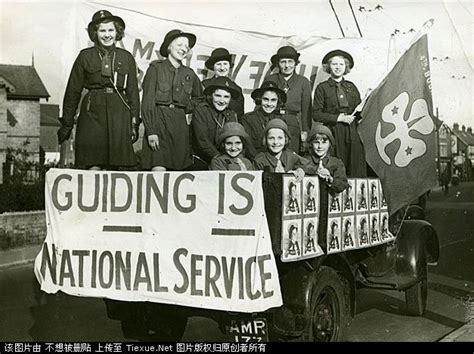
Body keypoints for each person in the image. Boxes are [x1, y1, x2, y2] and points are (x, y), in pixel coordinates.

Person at [58, 10, 140, 170]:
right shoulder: (85, 56)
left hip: (119, 115)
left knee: (115, 168)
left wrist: (134, 123)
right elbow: (73, 92)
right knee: (92, 165)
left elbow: (133, 94)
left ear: (117, 32)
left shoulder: (126, 57)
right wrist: (67, 124)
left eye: (111, 30)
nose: (107, 35)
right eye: (102, 30)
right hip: (92, 114)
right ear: (95, 33)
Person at [141, 29, 202, 171]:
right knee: (158, 170)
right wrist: (151, 131)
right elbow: (148, 101)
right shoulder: (156, 68)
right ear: (169, 46)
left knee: (178, 172)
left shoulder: (189, 73)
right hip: (159, 122)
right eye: (180, 45)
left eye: (186, 47)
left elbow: (199, 98)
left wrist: (186, 107)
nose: (183, 49)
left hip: (179, 126)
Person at [312, 49, 367, 177]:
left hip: (352, 132)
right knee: (336, 165)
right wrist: (338, 118)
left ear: (346, 67)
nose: (338, 67)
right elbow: (316, 114)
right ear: (328, 67)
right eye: (334, 64)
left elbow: (359, 112)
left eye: (341, 64)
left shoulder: (351, 87)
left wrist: (366, 102)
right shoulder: (322, 88)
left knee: (355, 164)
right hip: (333, 132)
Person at [305, 124, 348, 244]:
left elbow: (343, 184)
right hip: (310, 208)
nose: (320, 146)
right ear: (311, 143)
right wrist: (313, 173)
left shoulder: (336, 162)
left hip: (329, 208)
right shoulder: (305, 161)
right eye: (316, 142)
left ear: (330, 144)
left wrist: (330, 179)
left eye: (324, 142)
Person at [242, 81, 303, 158]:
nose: (269, 104)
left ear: (278, 101)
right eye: (266, 99)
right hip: (257, 160)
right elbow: (249, 146)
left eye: (273, 100)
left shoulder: (282, 119)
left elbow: (285, 146)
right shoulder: (249, 119)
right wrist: (259, 161)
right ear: (260, 99)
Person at [193, 76, 239, 166]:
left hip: (224, 159)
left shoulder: (232, 114)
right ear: (211, 96)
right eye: (218, 96)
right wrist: (219, 158)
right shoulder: (201, 110)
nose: (222, 101)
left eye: (226, 97)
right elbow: (202, 140)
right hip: (201, 159)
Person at [267, 46, 311, 140]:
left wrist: (305, 131)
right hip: (272, 122)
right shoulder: (270, 79)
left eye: (290, 61)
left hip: (293, 124)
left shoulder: (303, 82)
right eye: (283, 62)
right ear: (278, 64)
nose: (287, 66)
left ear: (295, 63)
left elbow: (306, 111)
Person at [202, 48, 245, 120]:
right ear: (213, 67)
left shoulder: (237, 89)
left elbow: (240, 115)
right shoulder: (204, 85)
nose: (222, 68)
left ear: (229, 66)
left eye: (225, 64)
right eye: (218, 64)